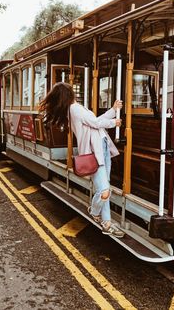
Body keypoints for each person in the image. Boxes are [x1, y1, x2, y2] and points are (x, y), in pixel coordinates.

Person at [39, 82, 124, 238]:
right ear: (68, 94)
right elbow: (97, 123)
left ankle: (107, 223)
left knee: (104, 188)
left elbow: (95, 121)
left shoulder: (75, 108)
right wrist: (114, 122)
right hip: (95, 152)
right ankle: (94, 210)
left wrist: (113, 110)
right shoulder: (75, 109)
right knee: (105, 191)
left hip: (102, 147)